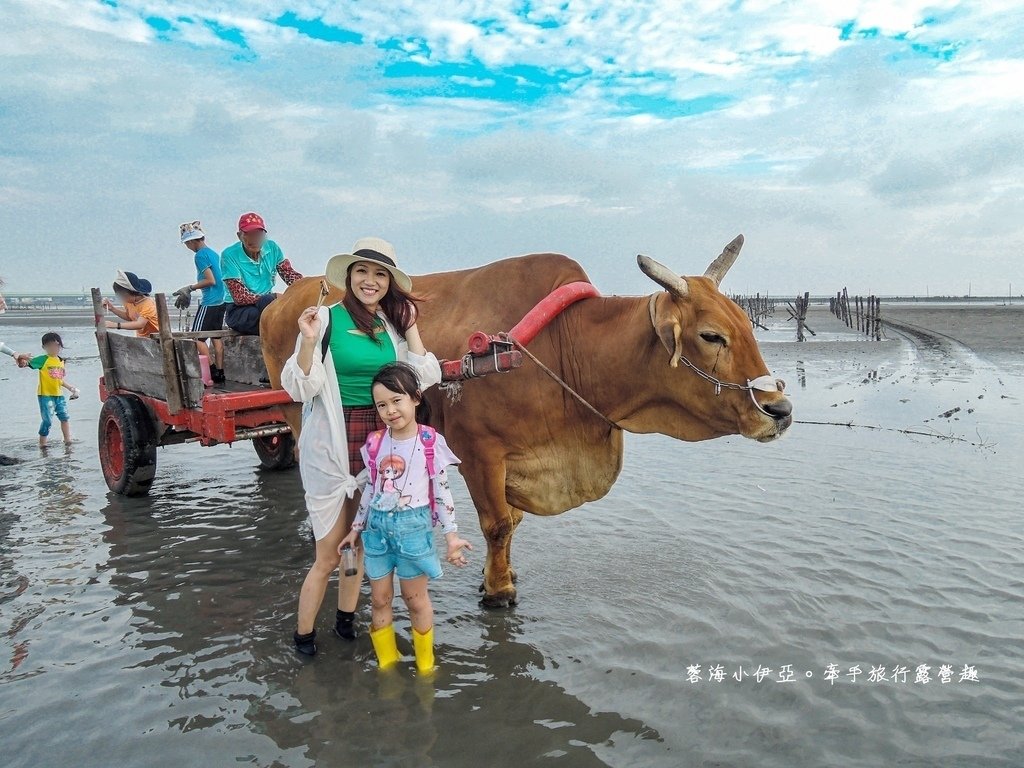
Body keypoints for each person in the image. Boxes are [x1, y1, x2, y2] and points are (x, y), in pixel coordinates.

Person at [279, 237, 442, 657]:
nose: (371, 281)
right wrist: (309, 340)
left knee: (363, 541)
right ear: (349, 277)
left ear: (389, 282)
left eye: (380, 274)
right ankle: (303, 637)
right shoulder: (325, 319)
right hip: (332, 441)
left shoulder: (390, 328)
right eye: (363, 272)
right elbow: (302, 387)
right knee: (329, 552)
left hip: (379, 440)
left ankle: (346, 620)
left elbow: (420, 378)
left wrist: (410, 326)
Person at [338, 363, 472, 673]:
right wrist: (355, 530)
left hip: (415, 531)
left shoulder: (429, 441)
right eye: (381, 404)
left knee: (415, 600)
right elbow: (371, 489)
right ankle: (387, 665)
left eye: (396, 400)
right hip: (377, 532)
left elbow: (442, 492)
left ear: (415, 398)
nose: (389, 410)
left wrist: (452, 537)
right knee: (380, 600)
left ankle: (426, 666)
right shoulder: (374, 443)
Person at [221, 212, 303, 336]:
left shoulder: (272, 248)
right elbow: (240, 297)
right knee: (272, 314)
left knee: (291, 313)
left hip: (267, 305)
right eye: (249, 234)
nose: (255, 239)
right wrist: (274, 297)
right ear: (239, 236)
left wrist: (307, 287)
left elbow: (289, 275)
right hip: (240, 311)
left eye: (258, 234)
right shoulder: (229, 255)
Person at [173, 221, 226, 383]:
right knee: (216, 337)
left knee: (197, 338)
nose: (187, 247)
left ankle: (211, 370)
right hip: (222, 300)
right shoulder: (213, 254)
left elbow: (211, 280)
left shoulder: (200, 255)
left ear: (191, 241)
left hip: (209, 301)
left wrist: (189, 288)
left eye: (187, 243)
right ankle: (221, 371)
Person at [26, 332, 79, 446]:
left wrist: (71, 388)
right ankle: (42, 445)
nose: (53, 348)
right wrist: (21, 358)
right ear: (44, 347)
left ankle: (67, 440)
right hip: (45, 395)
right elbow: (25, 364)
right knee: (47, 421)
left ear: (60, 346)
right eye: (49, 345)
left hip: (59, 395)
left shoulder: (61, 361)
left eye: (56, 345)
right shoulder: (42, 360)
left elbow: (59, 380)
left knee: (64, 417)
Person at [102, 270, 159, 337]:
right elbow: (130, 317)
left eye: (122, 295)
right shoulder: (128, 302)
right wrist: (112, 308)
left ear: (132, 293)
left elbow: (140, 324)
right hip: (141, 338)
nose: (122, 298)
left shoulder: (148, 304)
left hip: (156, 338)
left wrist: (115, 325)